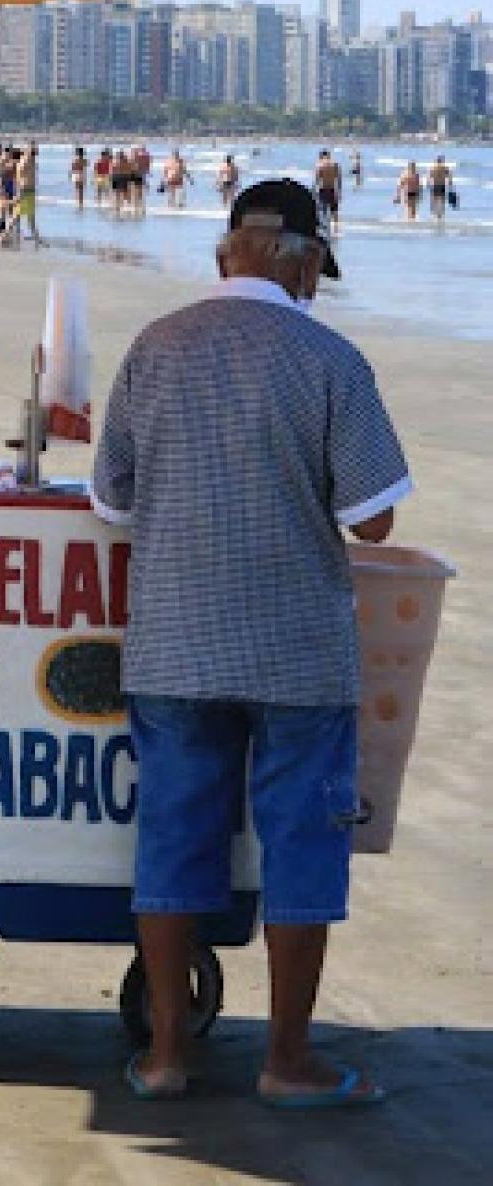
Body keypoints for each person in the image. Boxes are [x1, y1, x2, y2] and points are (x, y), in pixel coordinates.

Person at [92, 179, 411, 1107]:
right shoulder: (331, 361)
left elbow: (111, 501)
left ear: (226, 250)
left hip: (176, 643)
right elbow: (376, 522)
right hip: (297, 655)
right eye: (318, 268)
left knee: (172, 843)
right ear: (299, 258)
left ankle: (162, 1058)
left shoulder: (155, 348)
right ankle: (288, 1061)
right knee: (302, 847)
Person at [314, 149, 343, 235]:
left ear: (321, 156)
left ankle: (325, 230)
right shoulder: (335, 165)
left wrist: (314, 192)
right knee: (334, 212)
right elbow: (339, 179)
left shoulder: (320, 165)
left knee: (323, 212)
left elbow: (317, 180)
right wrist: (339, 192)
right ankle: (336, 230)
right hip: (332, 190)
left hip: (323, 190)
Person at [428, 155, 454, 222]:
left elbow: (430, 176)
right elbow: (449, 176)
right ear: (442, 161)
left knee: (435, 200)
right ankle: (441, 214)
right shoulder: (444, 168)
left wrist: (428, 184)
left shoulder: (433, 168)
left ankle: (435, 214)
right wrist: (450, 183)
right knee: (441, 200)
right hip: (442, 185)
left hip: (435, 185)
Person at [70, 145, 88, 210]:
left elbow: (73, 168)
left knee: (77, 189)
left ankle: (78, 201)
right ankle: (81, 202)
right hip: (81, 174)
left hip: (76, 174)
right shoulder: (84, 160)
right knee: (81, 190)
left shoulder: (75, 160)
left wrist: (72, 175)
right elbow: (84, 169)